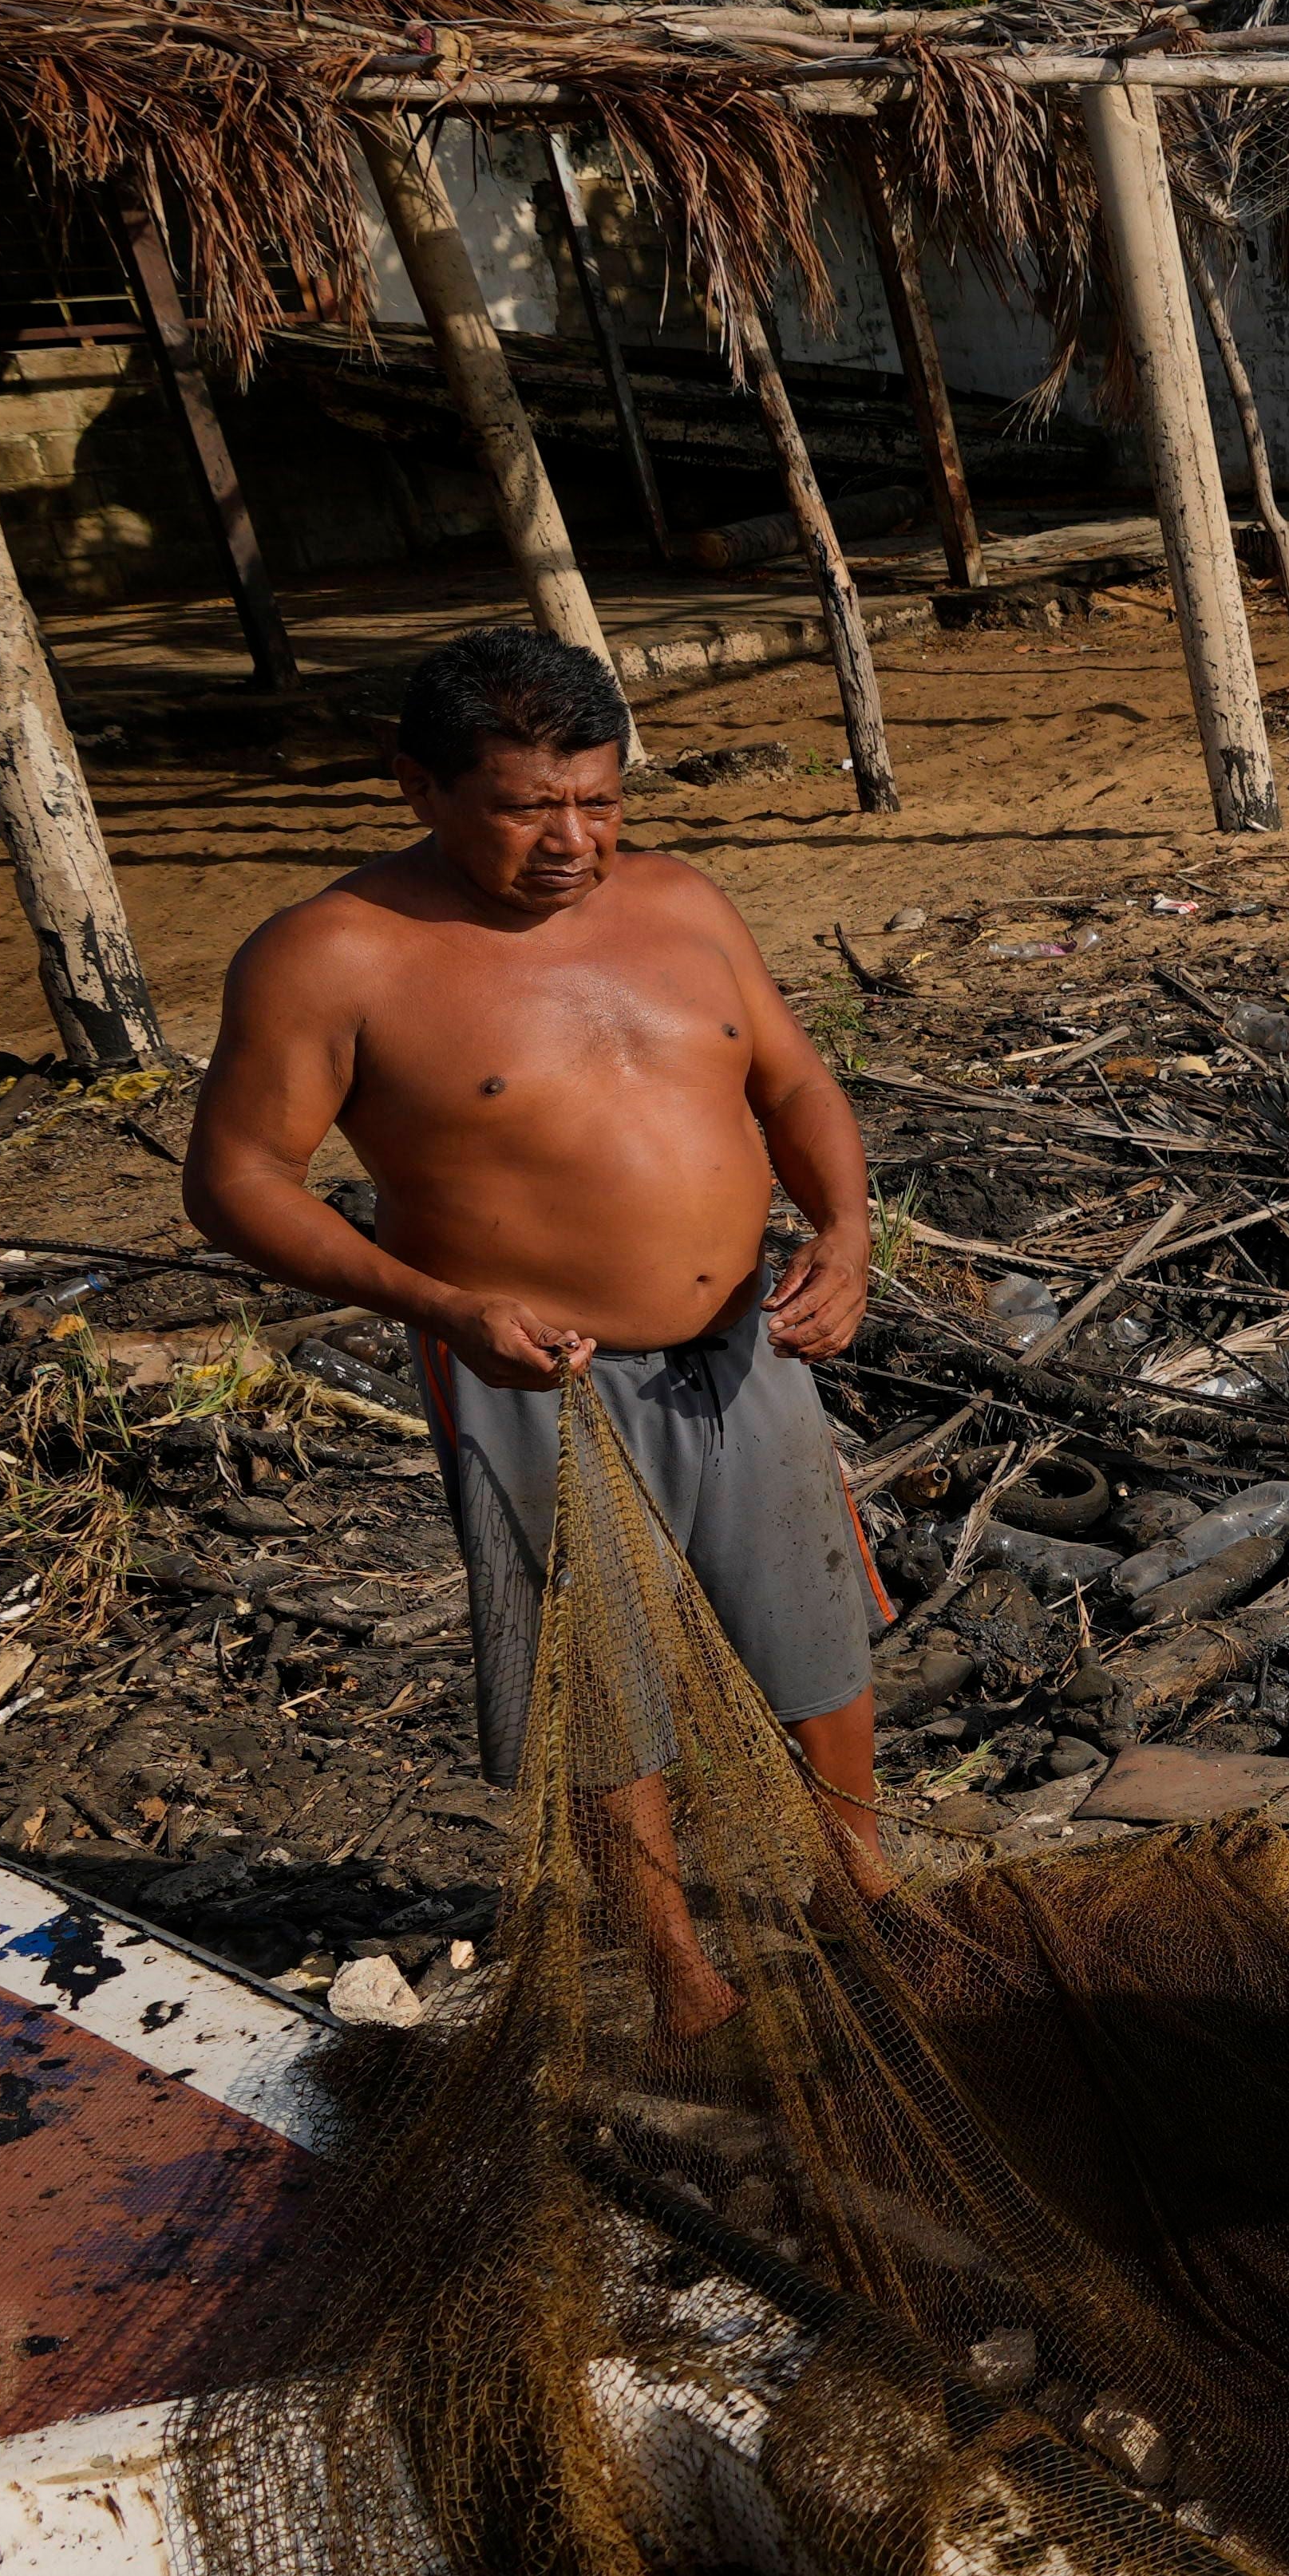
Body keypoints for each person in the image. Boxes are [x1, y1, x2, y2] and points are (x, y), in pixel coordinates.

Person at [185, 626, 885, 2038]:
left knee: (814, 1626)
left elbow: (796, 1082)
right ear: (419, 789)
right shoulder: (334, 955)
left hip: (747, 1343)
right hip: (533, 1377)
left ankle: (853, 1889)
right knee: (600, 1676)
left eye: (600, 800)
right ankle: (677, 1967)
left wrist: (849, 1231)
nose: (573, 840)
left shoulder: (684, 903)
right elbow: (236, 1180)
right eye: (526, 808)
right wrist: (440, 1304)